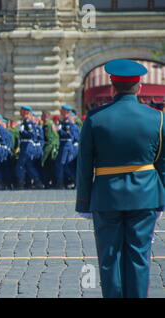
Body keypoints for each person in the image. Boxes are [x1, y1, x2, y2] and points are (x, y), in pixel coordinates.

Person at [76, 59, 163, 298]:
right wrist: (161, 201)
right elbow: (162, 165)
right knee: (139, 256)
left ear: (112, 86)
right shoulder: (157, 118)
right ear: (140, 86)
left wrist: (84, 203)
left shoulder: (94, 118)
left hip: (106, 196)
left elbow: (84, 165)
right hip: (145, 196)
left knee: (109, 257)